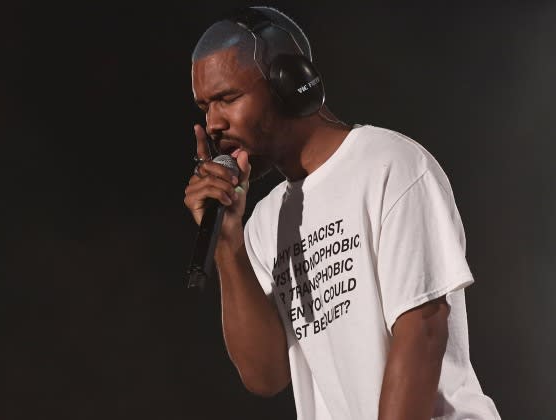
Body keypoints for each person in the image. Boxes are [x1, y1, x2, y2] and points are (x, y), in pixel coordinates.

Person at [183, 6, 501, 420]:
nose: (213, 123)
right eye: (205, 107)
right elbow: (266, 377)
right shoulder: (262, 223)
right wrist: (228, 243)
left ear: (289, 83)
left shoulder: (390, 165)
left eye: (227, 98)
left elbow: (422, 329)